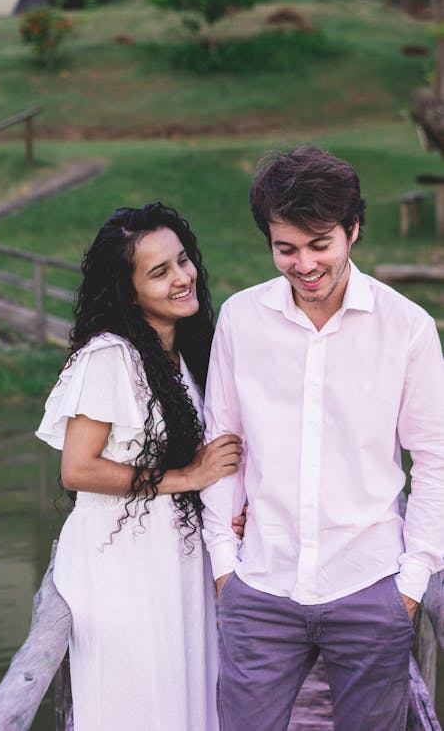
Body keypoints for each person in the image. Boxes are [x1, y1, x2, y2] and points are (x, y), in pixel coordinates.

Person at [201, 146, 444, 731]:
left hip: (369, 585)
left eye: (320, 245)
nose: (304, 264)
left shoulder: (407, 328)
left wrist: (411, 583)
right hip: (258, 586)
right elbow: (222, 443)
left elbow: (434, 462)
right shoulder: (239, 319)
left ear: (353, 230)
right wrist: (224, 567)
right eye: (286, 248)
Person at [35, 202, 242, 731]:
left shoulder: (180, 357)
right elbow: (77, 470)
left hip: (175, 568)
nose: (182, 277)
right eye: (160, 271)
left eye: (182, 260)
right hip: (122, 575)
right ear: (129, 292)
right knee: (140, 709)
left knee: (187, 706)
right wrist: (186, 478)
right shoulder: (110, 357)